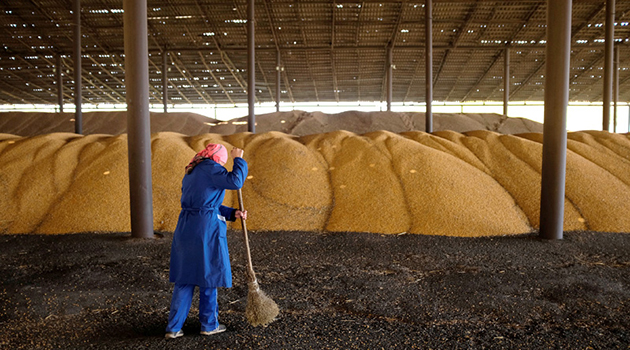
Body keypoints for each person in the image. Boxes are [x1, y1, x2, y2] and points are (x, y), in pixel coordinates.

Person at [165, 143, 248, 339]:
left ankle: (173, 328)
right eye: (223, 160)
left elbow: (206, 202)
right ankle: (209, 324)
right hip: (205, 229)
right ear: (217, 158)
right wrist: (239, 160)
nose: (222, 164)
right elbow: (236, 181)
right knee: (208, 275)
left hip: (187, 227)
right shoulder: (212, 168)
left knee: (184, 279)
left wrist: (232, 213)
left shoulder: (192, 170)